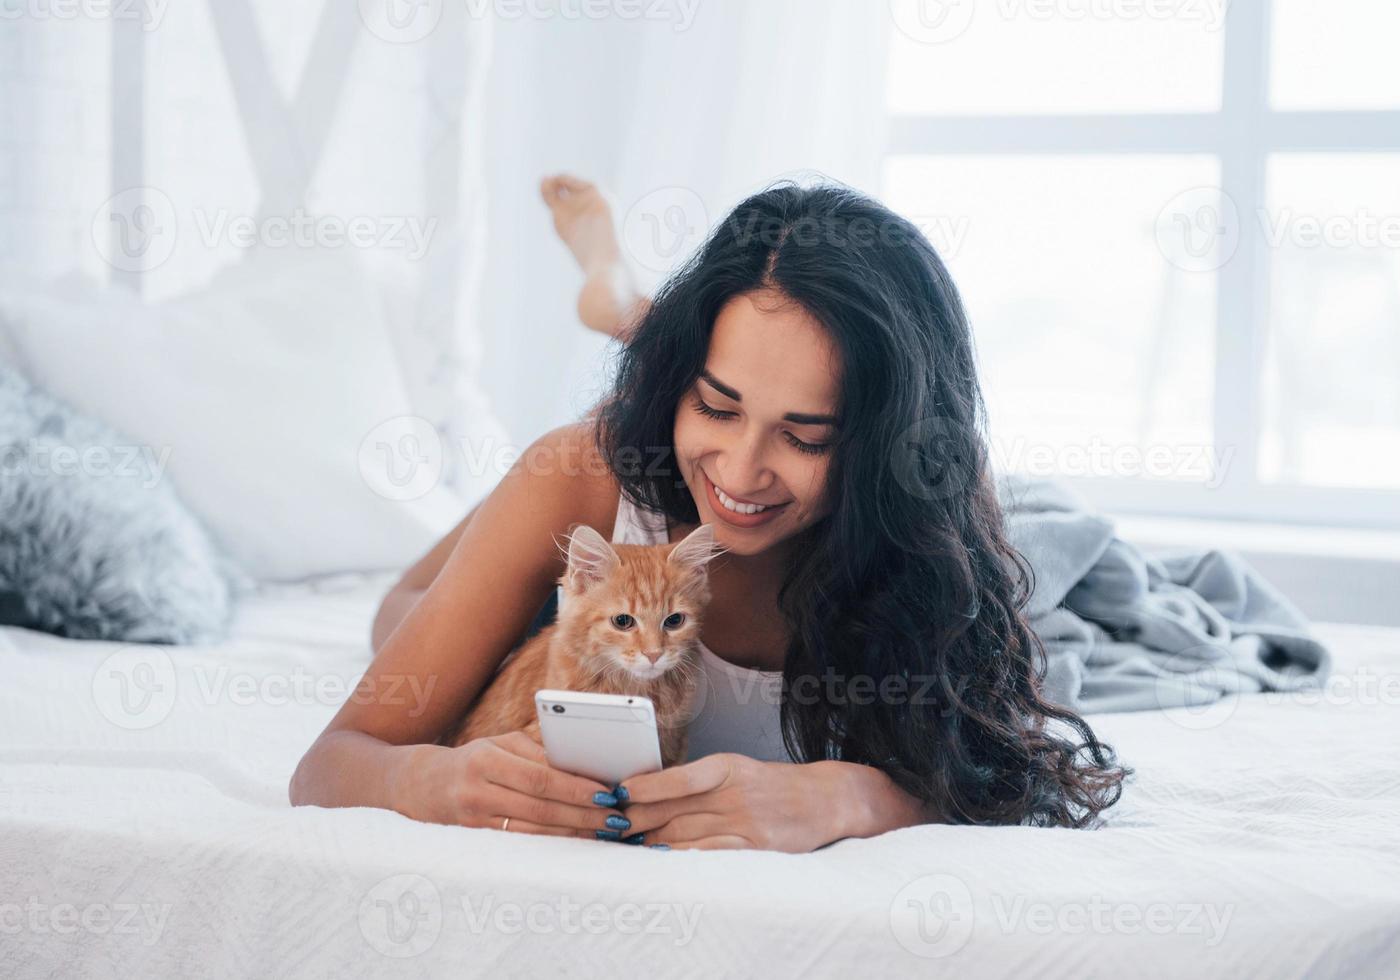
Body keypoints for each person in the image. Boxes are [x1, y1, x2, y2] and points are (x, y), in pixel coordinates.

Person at [289, 174, 1129, 851]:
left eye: (805, 435)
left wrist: (849, 798)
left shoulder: (928, 508)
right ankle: (618, 301)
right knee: (398, 614)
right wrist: (429, 781)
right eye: (717, 408)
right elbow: (329, 765)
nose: (741, 473)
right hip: (598, 530)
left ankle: (632, 312)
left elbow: (1013, 775)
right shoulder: (582, 470)